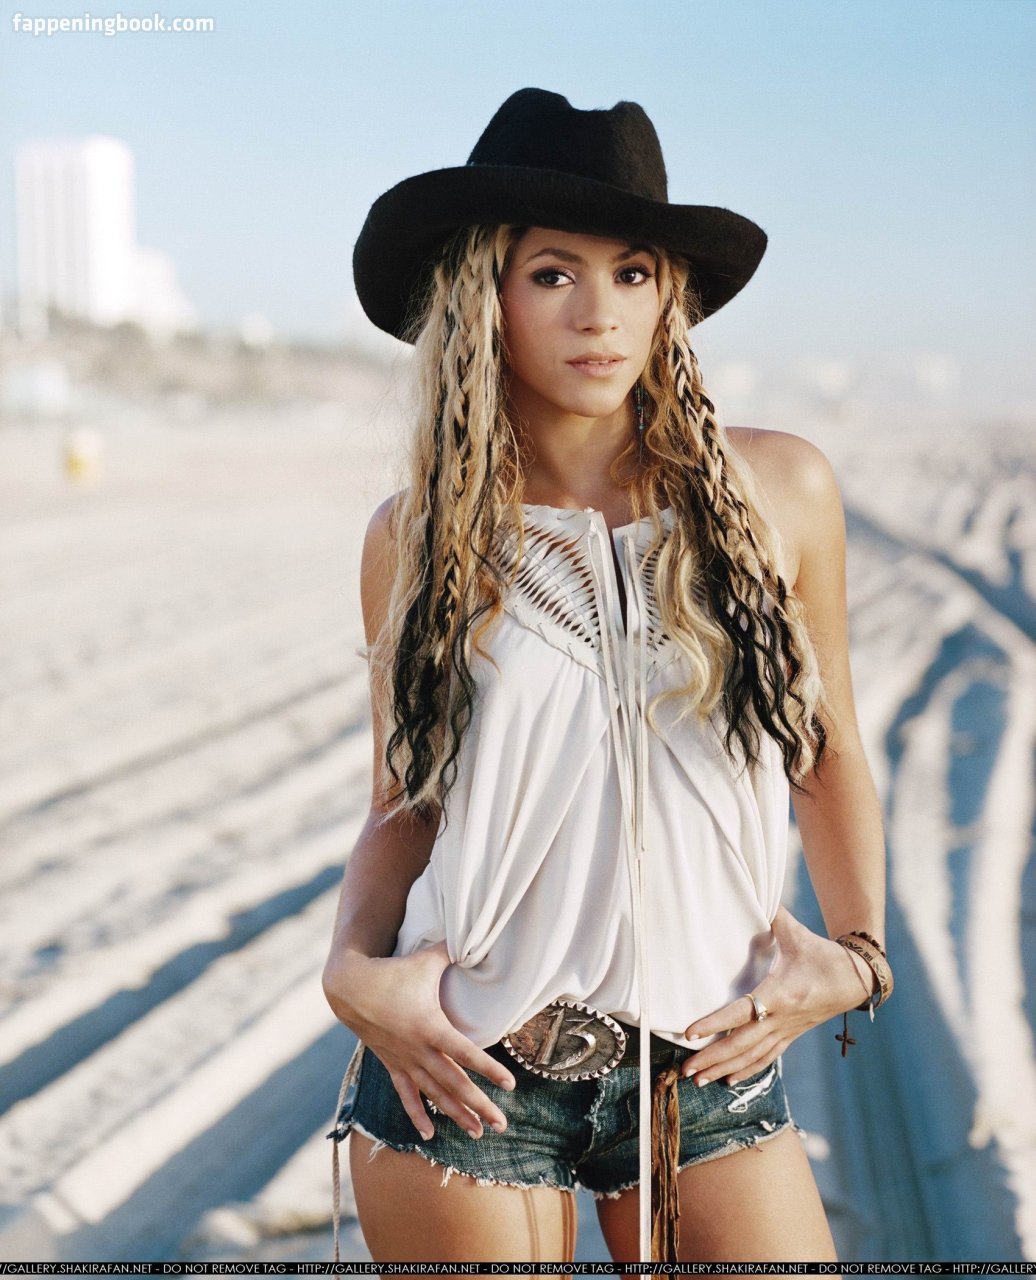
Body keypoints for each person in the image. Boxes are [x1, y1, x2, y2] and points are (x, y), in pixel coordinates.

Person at [321, 87, 892, 1266]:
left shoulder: (778, 490)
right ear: (485, 295)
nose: (600, 313)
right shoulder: (416, 534)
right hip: (472, 1069)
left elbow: (827, 749)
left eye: (632, 273)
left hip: (708, 1066)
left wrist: (858, 954)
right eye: (553, 274)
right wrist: (350, 972)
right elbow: (403, 799)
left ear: (668, 294)